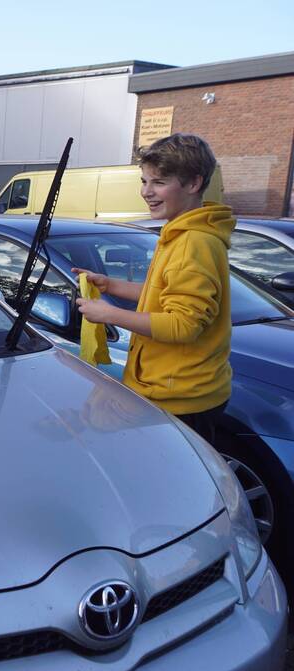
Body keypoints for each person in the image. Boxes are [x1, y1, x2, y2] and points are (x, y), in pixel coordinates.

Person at [73, 133, 235, 444]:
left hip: (179, 398)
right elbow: (163, 296)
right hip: (183, 391)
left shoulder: (192, 242)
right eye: (144, 181)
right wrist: (111, 285)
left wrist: (109, 314)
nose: (146, 192)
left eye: (158, 182)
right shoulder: (183, 233)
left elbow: (183, 325)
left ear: (193, 184)